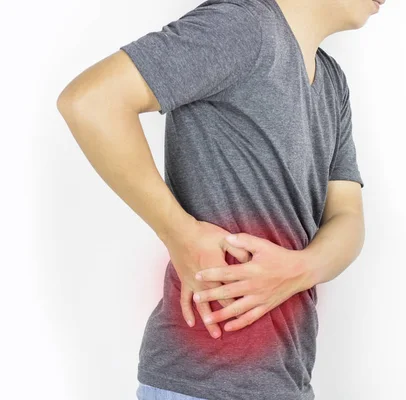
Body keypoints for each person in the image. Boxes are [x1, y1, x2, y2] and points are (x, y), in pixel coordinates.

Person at [56, 0, 384, 398]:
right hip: (200, 383)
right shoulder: (243, 27)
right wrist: (181, 234)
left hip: (287, 383)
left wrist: (303, 268)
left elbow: (348, 216)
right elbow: (90, 102)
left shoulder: (333, 83)